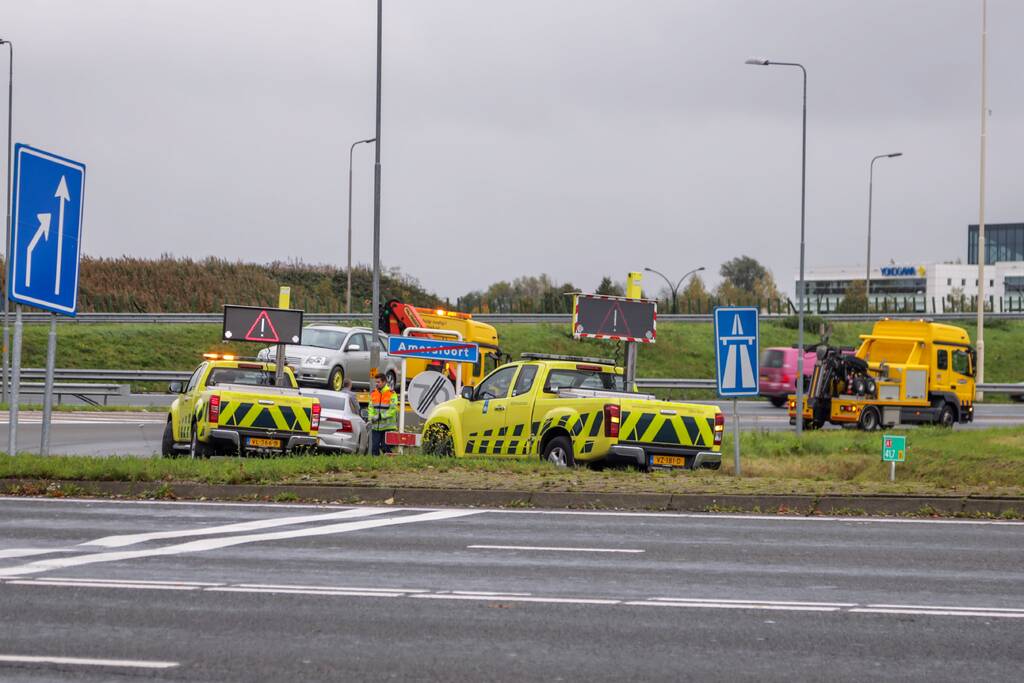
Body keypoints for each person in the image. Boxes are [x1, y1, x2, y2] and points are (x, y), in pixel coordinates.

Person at [367, 373, 398, 455]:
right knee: (375, 447)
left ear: (384, 382)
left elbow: (393, 410)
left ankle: (390, 464)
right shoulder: (373, 393)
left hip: (387, 426)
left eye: (378, 382)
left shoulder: (392, 393)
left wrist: (380, 416)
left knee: (385, 447)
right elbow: (370, 407)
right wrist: (371, 418)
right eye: (376, 382)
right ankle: (375, 465)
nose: (376, 384)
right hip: (375, 426)